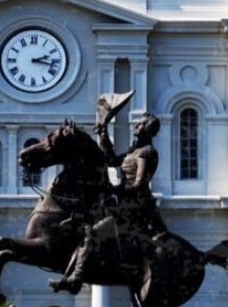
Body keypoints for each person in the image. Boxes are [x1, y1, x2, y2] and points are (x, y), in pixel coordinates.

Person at [50, 95, 166, 294]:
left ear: (146, 129)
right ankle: (71, 275)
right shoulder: (133, 152)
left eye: (139, 125)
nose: (135, 127)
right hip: (122, 202)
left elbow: (139, 184)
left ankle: (76, 279)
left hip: (134, 205)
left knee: (93, 232)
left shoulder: (146, 152)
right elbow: (111, 160)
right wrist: (103, 134)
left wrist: (116, 190)